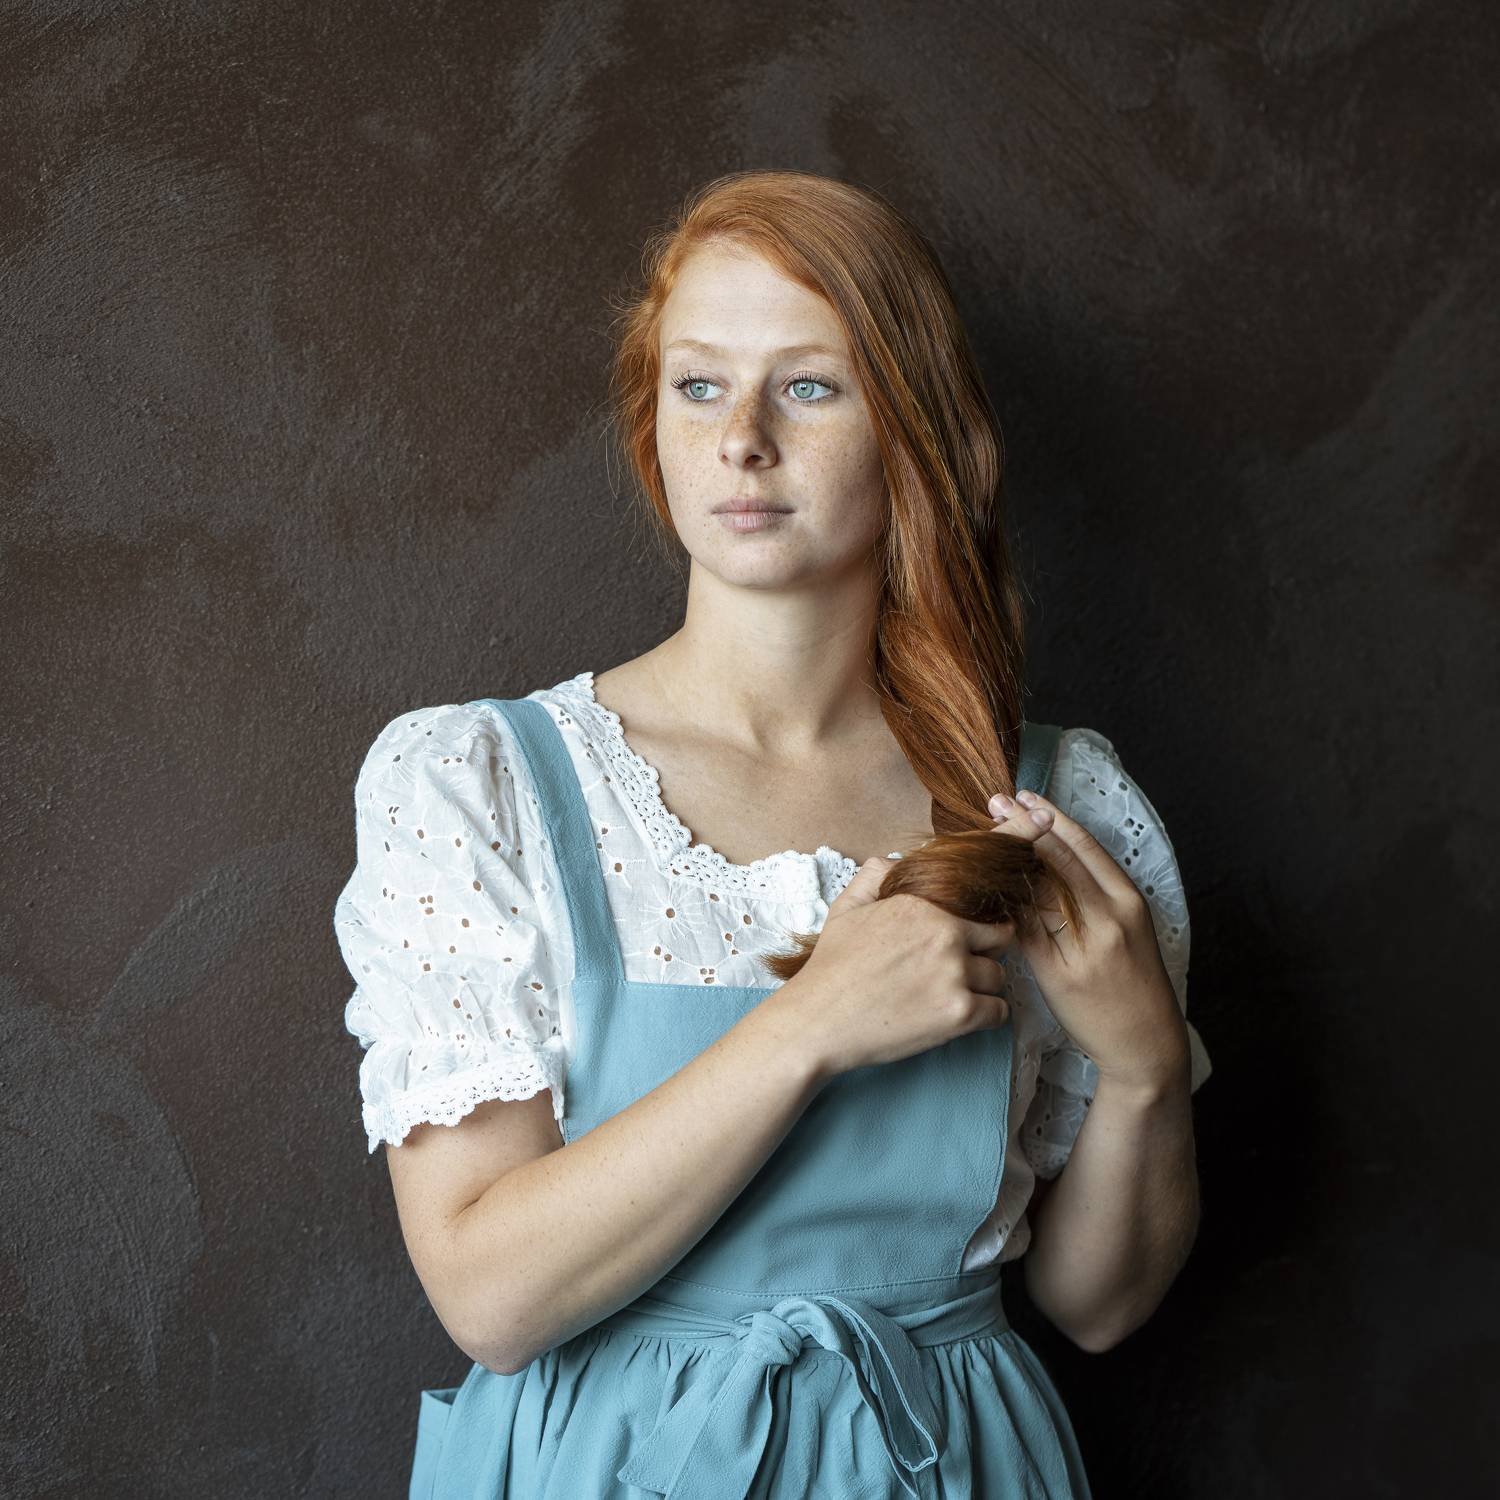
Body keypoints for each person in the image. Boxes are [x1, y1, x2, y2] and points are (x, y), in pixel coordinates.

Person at [333, 169, 1213, 1499]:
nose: (741, 439)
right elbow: (491, 1299)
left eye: (809, 385)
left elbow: (1101, 1305)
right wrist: (809, 1026)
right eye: (698, 385)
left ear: (911, 429)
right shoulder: (478, 785)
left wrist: (1144, 1067)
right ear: (654, 427)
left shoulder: (1060, 806)